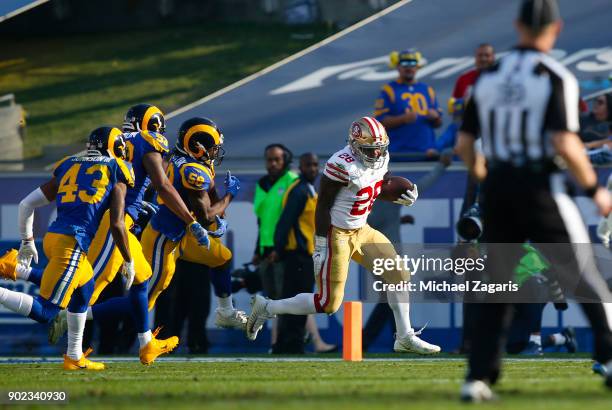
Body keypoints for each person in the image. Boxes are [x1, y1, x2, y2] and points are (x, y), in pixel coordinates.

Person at [455, 0, 612, 401]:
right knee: (581, 271)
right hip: (539, 186)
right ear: (555, 29)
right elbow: (564, 140)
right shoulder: (554, 75)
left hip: (498, 187)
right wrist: (595, 190)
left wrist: (483, 177)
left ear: (517, 25)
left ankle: (478, 378)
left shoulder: (487, 77)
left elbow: (465, 144)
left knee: (498, 285)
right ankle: (609, 357)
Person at [2, 104, 212, 365]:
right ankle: (46, 305)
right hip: (110, 224)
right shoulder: (139, 147)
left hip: (89, 224)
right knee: (81, 289)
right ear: (155, 125)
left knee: (136, 278)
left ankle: (145, 344)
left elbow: (30, 202)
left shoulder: (97, 151)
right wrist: (191, 221)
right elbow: (161, 185)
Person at [246, 116, 440, 355]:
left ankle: (404, 336)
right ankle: (267, 306)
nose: (376, 155)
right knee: (328, 304)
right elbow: (323, 205)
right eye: (370, 150)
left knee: (398, 274)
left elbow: (378, 186)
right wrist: (321, 244)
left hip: (363, 229)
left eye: (379, 150)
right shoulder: (341, 164)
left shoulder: (380, 157)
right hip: (336, 234)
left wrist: (402, 193)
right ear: (356, 145)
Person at [0, 127, 134, 370]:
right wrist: (128, 259)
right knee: (46, 311)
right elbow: (117, 223)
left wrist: (27, 241)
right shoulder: (117, 169)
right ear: (115, 148)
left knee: (85, 288)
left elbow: (26, 204)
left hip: (57, 237)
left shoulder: (69, 164)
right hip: (73, 240)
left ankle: (74, 355)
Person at [139, 116, 245, 331]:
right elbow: (205, 215)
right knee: (144, 300)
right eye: (214, 147)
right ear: (198, 146)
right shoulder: (192, 170)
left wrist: (220, 210)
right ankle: (81, 314)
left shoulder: (190, 160)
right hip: (165, 236)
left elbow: (210, 194)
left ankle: (226, 312)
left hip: (183, 234)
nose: (217, 151)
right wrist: (230, 196)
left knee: (221, 258)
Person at [271, 152, 335, 354]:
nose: (313, 169)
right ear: (301, 166)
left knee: (294, 302)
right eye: (309, 165)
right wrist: (279, 249)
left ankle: (287, 344)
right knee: (296, 303)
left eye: (316, 165)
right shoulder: (299, 190)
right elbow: (285, 222)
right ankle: (292, 344)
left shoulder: (308, 189)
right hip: (297, 255)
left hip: (306, 255)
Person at [374, 49, 443, 159]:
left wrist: (435, 117)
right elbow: (380, 124)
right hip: (399, 155)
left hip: (426, 154)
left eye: (412, 63)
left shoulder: (427, 89)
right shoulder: (388, 90)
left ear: (417, 66)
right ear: (397, 66)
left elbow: (438, 124)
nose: (409, 67)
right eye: (404, 63)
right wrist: (403, 119)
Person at [253, 144, 299, 301]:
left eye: (277, 160)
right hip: (266, 250)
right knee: (273, 300)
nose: (272, 163)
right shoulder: (261, 184)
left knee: (289, 299)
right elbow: (262, 221)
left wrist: (279, 249)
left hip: (286, 250)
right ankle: (279, 327)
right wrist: (257, 251)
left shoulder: (292, 181)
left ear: (286, 160)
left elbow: (292, 219)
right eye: (269, 160)